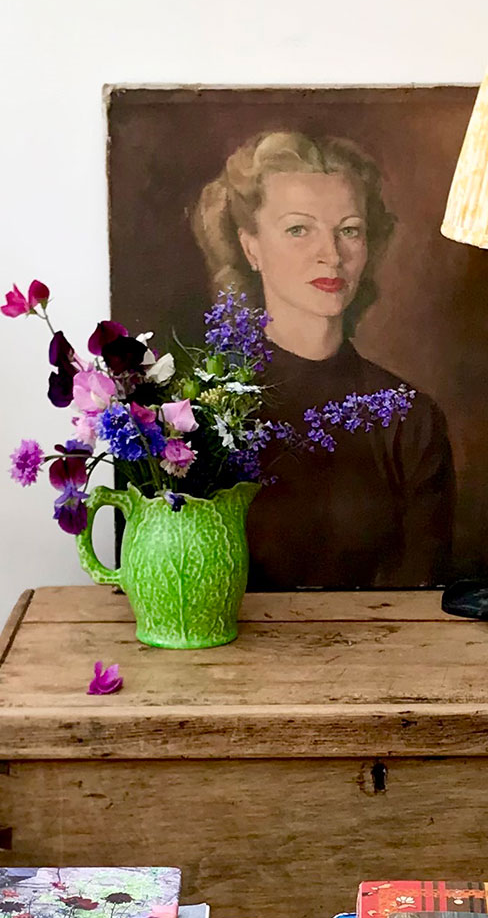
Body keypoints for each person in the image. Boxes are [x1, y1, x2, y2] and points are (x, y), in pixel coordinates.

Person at [194, 129, 456, 588]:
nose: (331, 255)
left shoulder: (411, 418)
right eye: (299, 229)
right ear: (251, 246)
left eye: (349, 231)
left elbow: (419, 596)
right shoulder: (200, 410)